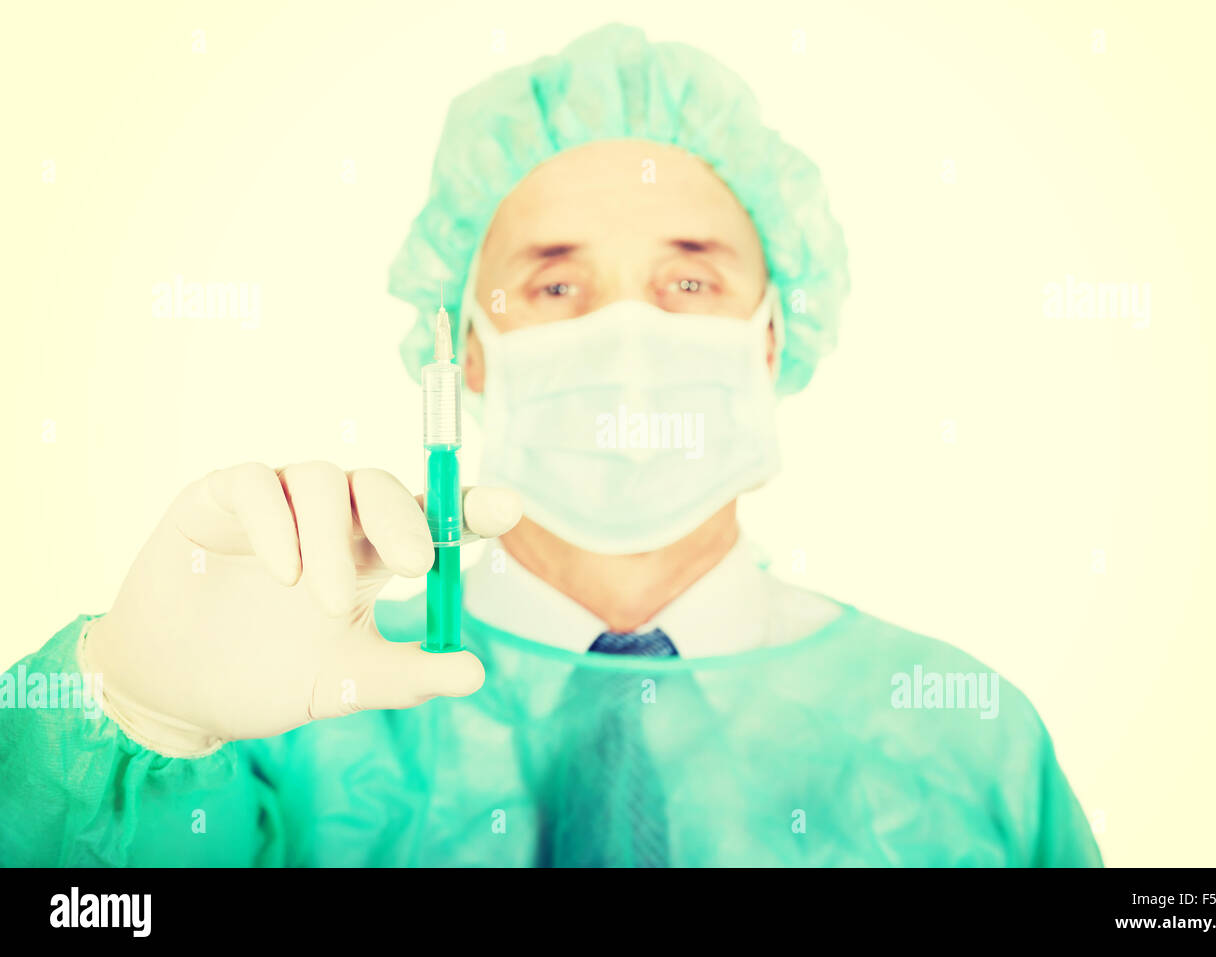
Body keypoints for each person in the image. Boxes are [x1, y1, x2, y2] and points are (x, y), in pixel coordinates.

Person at [0, 23, 1101, 867]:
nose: (626, 340)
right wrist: (126, 719)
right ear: (466, 350)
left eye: (688, 280)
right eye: (556, 283)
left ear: (774, 335)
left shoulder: (965, 739)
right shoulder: (289, 715)